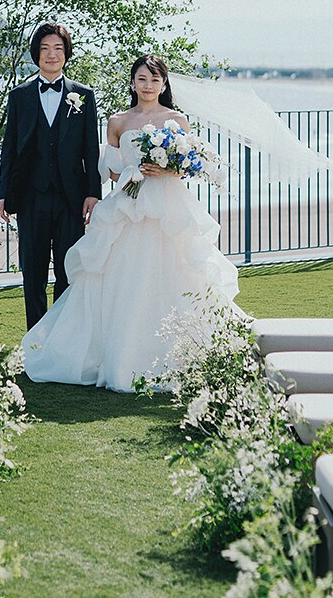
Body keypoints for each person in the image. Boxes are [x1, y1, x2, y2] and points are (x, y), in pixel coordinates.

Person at [21, 53, 242, 392]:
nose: (148, 85)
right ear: (133, 83)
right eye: (141, 79)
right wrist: (132, 171)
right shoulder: (117, 121)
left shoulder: (177, 120)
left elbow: (188, 167)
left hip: (167, 206)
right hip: (129, 204)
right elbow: (109, 170)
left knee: (174, 272)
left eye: (154, 80)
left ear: (164, 84)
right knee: (119, 275)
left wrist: (166, 169)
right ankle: (114, 353)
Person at [0, 23, 101, 330]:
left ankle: (62, 342)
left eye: (58, 49)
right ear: (36, 55)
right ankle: (35, 343)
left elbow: (90, 150)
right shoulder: (20, 96)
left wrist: (93, 193)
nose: (51, 55)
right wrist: (3, 192)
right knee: (33, 272)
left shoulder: (83, 95)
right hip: (31, 197)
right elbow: (10, 147)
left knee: (67, 273)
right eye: (45, 49)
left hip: (72, 198)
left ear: (66, 54)